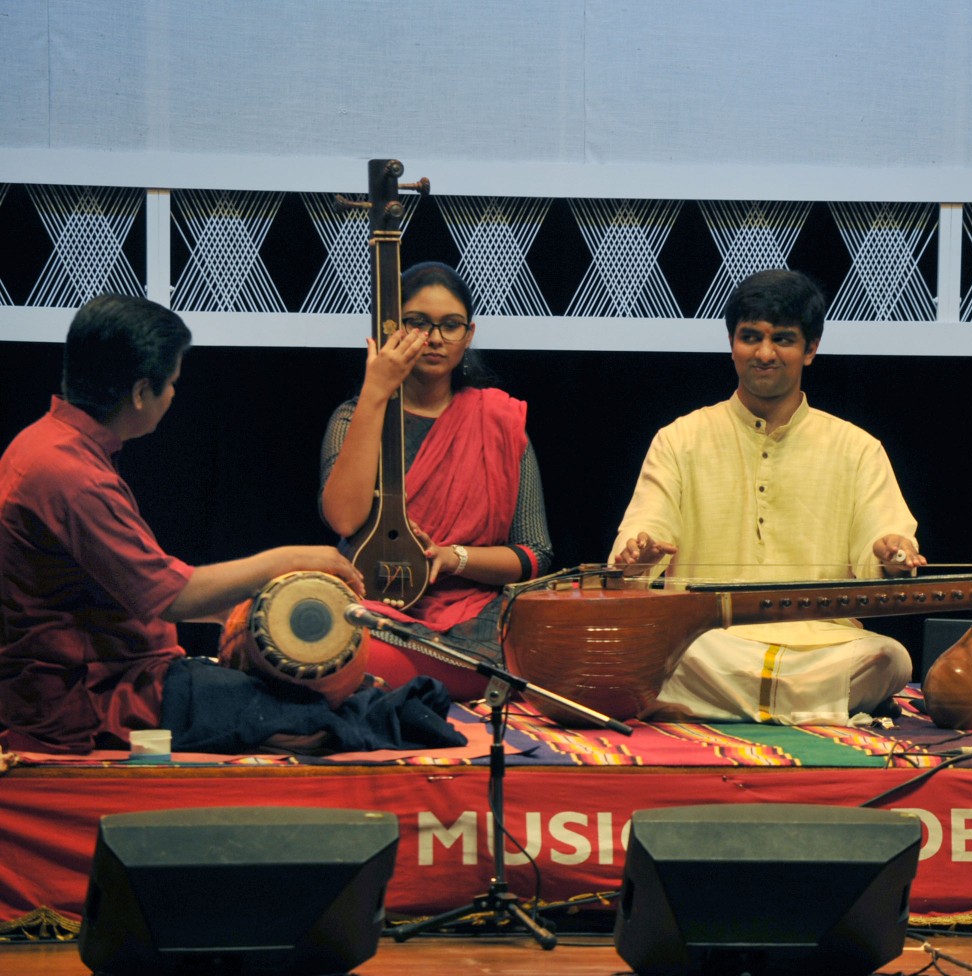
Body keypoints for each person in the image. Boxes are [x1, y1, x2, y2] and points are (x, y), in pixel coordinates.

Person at [0, 294, 463, 756]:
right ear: (141, 392)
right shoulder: (69, 475)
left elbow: (135, 586)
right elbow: (173, 598)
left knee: (337, 696)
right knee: (315, 723)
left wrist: (236, 613)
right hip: (93, 696)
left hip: (123, 673)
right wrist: (291, 559)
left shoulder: (48, 445)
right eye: (172, 383)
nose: (174, 395)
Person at [610, 269, 924, 724]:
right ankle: (807, 706)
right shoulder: (680, 439)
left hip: (822, 643)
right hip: (708, 639)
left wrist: (892, 554)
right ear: (731, 343)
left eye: (783, 339)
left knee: (891, 659)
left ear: (810, 349)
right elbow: (643, 532)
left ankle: (704, 704)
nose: (764, 353)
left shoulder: (857, 448)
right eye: (750, 337)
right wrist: (639, 554)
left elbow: (884, 541)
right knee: (645, 644)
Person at [320, 261, 553, 701]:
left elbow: (533, 554)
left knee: (549, 625)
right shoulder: (354, 417)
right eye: (418, 323)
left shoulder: (499, 422)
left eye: (450, 325)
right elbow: (344, 520)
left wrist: (452, 558)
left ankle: (414, 677)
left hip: (479, 621)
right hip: (378, 612)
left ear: (469, 334)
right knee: (330, 621)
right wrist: (376, 392)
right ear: (394, 328)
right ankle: (431, 678)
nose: (435, 337)